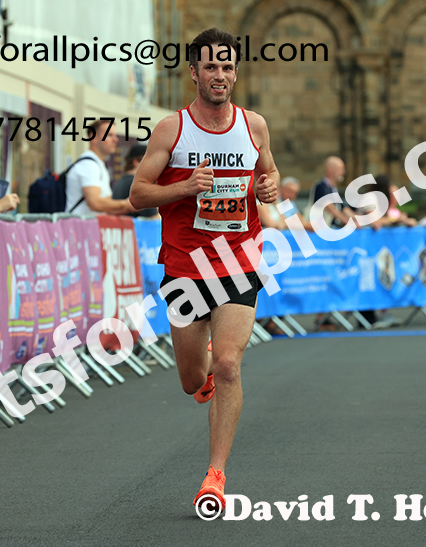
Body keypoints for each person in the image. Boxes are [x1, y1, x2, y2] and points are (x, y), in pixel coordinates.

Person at [128, 27, 279, 511]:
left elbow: (267, 171)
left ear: (236, 72)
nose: (220, 74)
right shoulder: (171, 129)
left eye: (227, 66)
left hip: (238, 261)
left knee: (231, 364)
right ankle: (205, 377)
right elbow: (138, 194)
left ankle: (214, 475)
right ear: (193, 71)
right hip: (184, 268)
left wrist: (269, 188)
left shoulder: (253, 125)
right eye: (211, 66)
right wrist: (184, 187)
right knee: (193, 380)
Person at [66, 119, 134, 216]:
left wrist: (133, 206)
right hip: (78, 228)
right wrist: (125, 204)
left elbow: (106, 207)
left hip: (86, 228)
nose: (115, 140)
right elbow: (95, 203)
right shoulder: (88, 165)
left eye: (115, 135)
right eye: (109, 135)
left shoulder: (98, 165)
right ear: (93, 138)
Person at [112, 144, 158, 218]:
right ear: (137, 162)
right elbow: (155, 218)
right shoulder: (140, 185)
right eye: (150, 161)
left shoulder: (118, 183)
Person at [309, 156, 354, 228]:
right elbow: (330, 208)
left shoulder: (333, 189)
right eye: (340, 169)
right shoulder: (321, 186)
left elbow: (344, 208)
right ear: (330, 170)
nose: (343, 172)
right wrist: (348, 221)